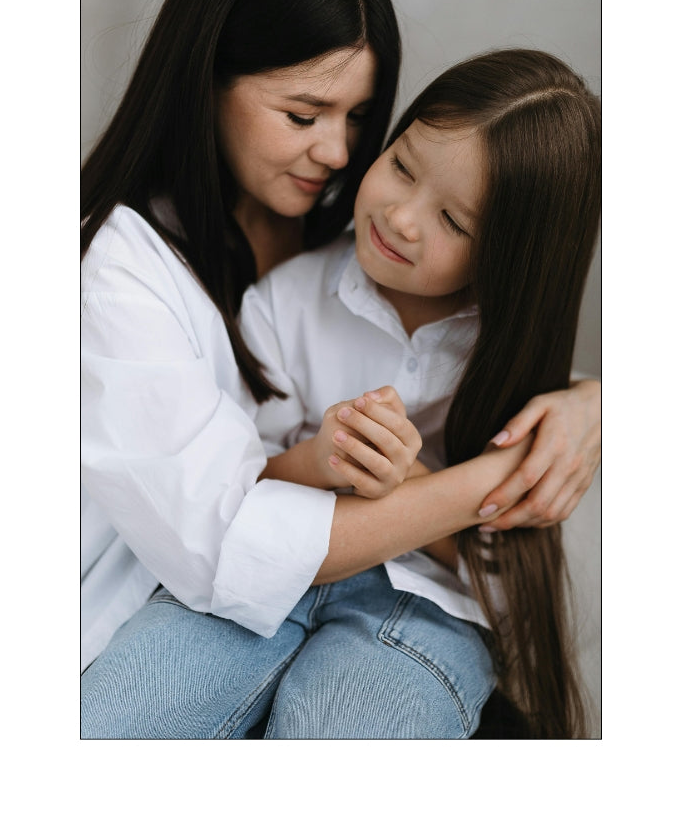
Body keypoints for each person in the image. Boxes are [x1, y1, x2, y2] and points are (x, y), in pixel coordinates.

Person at [81, 0, 601, 736]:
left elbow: (512, 361)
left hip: (412, 606)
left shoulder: (356, 223)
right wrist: (469, 486)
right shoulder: (129, 270)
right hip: (210, 584)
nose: (336, 152)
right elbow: (229, 531)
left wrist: (586, 403)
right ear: (206, 80)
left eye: (361, 120)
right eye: (303, 114)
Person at [242, 49, 601, 738]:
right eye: (402, 166)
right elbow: (232, 489)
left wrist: (413, 484)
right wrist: (323, 462)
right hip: (274, 583)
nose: (403, 218)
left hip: (427, 609)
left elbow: (512, 574)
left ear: (508, 255)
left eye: (455, 223)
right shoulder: (285, 302)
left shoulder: (516, 365)